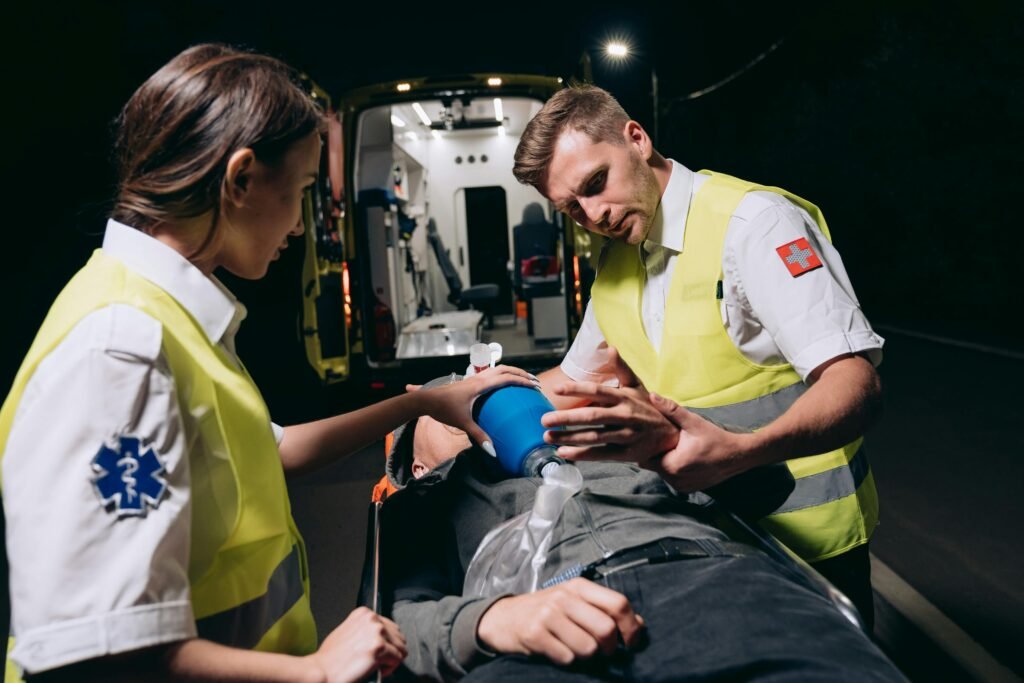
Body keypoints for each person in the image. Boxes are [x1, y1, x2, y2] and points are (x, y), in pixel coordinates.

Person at [0, 44, 533, 683]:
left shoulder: (164, 314)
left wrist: (421, 402)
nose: (304, 229)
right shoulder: (121, 354)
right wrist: (318, 671)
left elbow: (270, 450)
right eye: (305, 191)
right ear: (242, 178)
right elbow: (90, 652)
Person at [511, 85, 884, 625]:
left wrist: (741, 450)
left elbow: (857, 385)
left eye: (596, 183)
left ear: (636, 139)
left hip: (813, 547)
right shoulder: (616, 260)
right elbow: (570, 386)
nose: (594, 215)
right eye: (573, 207)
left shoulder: (754, 225)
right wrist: (470, 408)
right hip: (709, 539)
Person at [377, 379, 905, 682]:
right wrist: (490, 621)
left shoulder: (613, 451)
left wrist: (670, 441)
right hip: (534, 632)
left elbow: (769, 483)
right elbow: (397, 622)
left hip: (708, 581)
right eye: (451, 413)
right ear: (417, 465)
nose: (476, 408)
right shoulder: (429, 504)